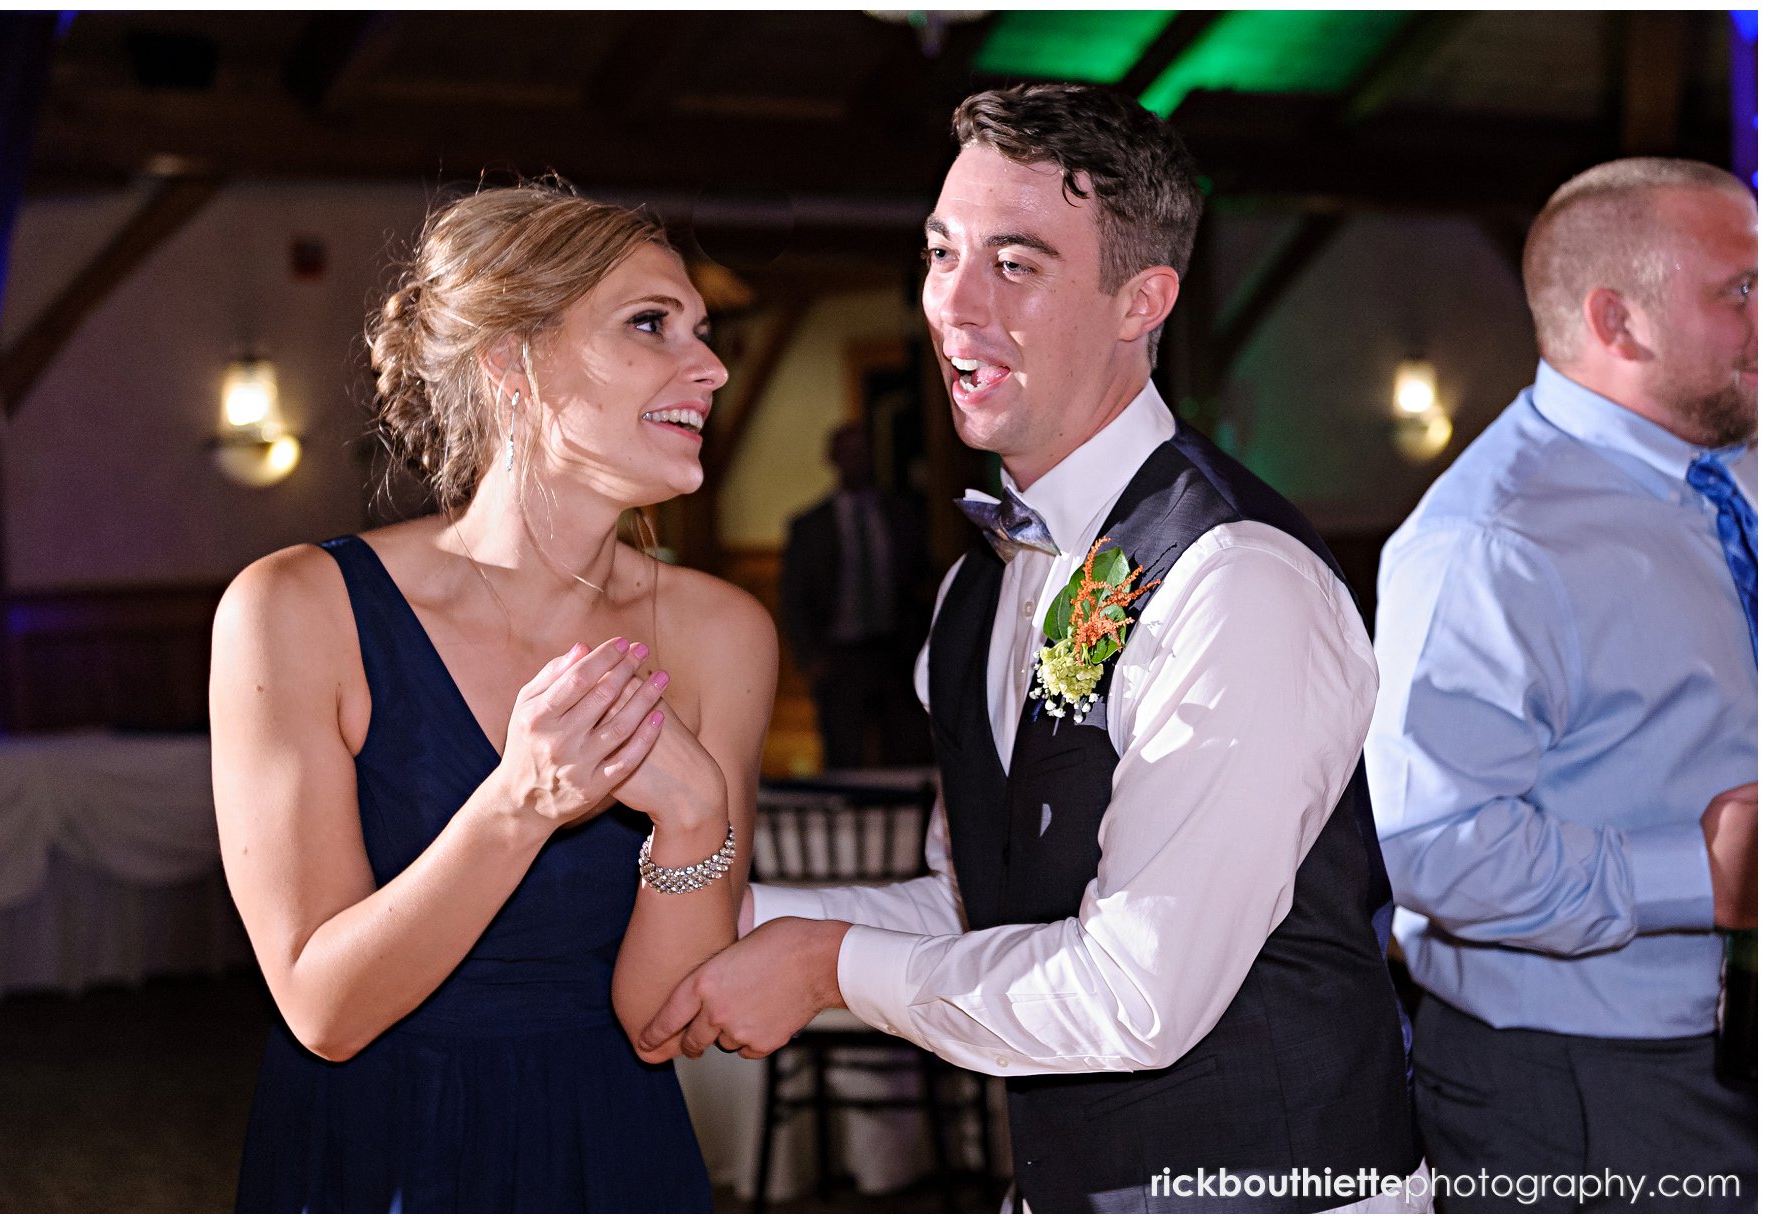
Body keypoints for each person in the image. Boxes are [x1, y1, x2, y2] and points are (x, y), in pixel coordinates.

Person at [639, 84, 1424, 1212]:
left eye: (1015, 264)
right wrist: (731, 917)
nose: (954, 305)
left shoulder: (1237, 580)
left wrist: (825, 969)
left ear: (1139, 301)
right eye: (940, 251)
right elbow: (985, 911)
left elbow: (1136, 989)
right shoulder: (976, 587)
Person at [210, 182, 777, 1212]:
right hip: (379, 1147)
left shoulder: (721, 633)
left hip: (609, 1148)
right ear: (511, 362)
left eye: (703, 331)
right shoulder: (298, 610)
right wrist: (521, 803)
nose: (712, 367)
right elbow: (323, 1008)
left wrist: (695, 822)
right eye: (650, 325)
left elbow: (663, 1019)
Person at [1366, 158, 1757, 1211]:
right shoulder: (1489, 541)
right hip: (1588, 1077)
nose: (1765, 312)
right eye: (1741, 289)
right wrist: (1704, 881)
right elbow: (1426, 846)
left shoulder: (1735, 473)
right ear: (1618, 322)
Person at [779, 422, 928, 768]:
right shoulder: (811, 526)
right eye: (849, 452)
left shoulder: (901, 514)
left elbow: (920, 578)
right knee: (844, 752)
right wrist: (810, 657)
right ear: (833, 458)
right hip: (839, 656)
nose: (857, 460)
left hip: (896, 654)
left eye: (863, 452)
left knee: (904, 750)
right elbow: (795, 596)